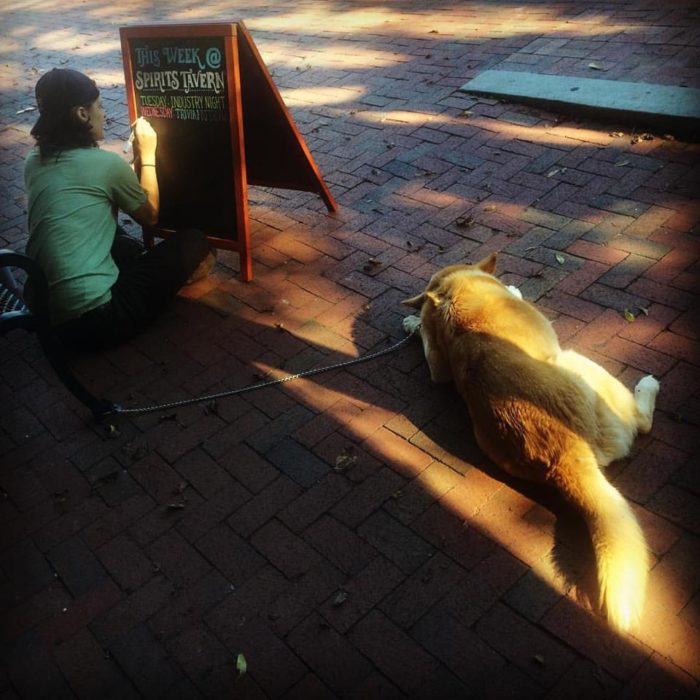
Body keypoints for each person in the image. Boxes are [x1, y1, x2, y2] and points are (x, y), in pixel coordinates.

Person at [24, 68, 215, 351]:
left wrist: (124, 173)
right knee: (194, 243)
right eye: (99, 106)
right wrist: (148, 153)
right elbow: (150, 215)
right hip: (98, 320)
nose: (104, 113)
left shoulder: (33, 160)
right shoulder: (106, 165)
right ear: (82, 114)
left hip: (45, 317)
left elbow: (85, 187)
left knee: (118, 239)